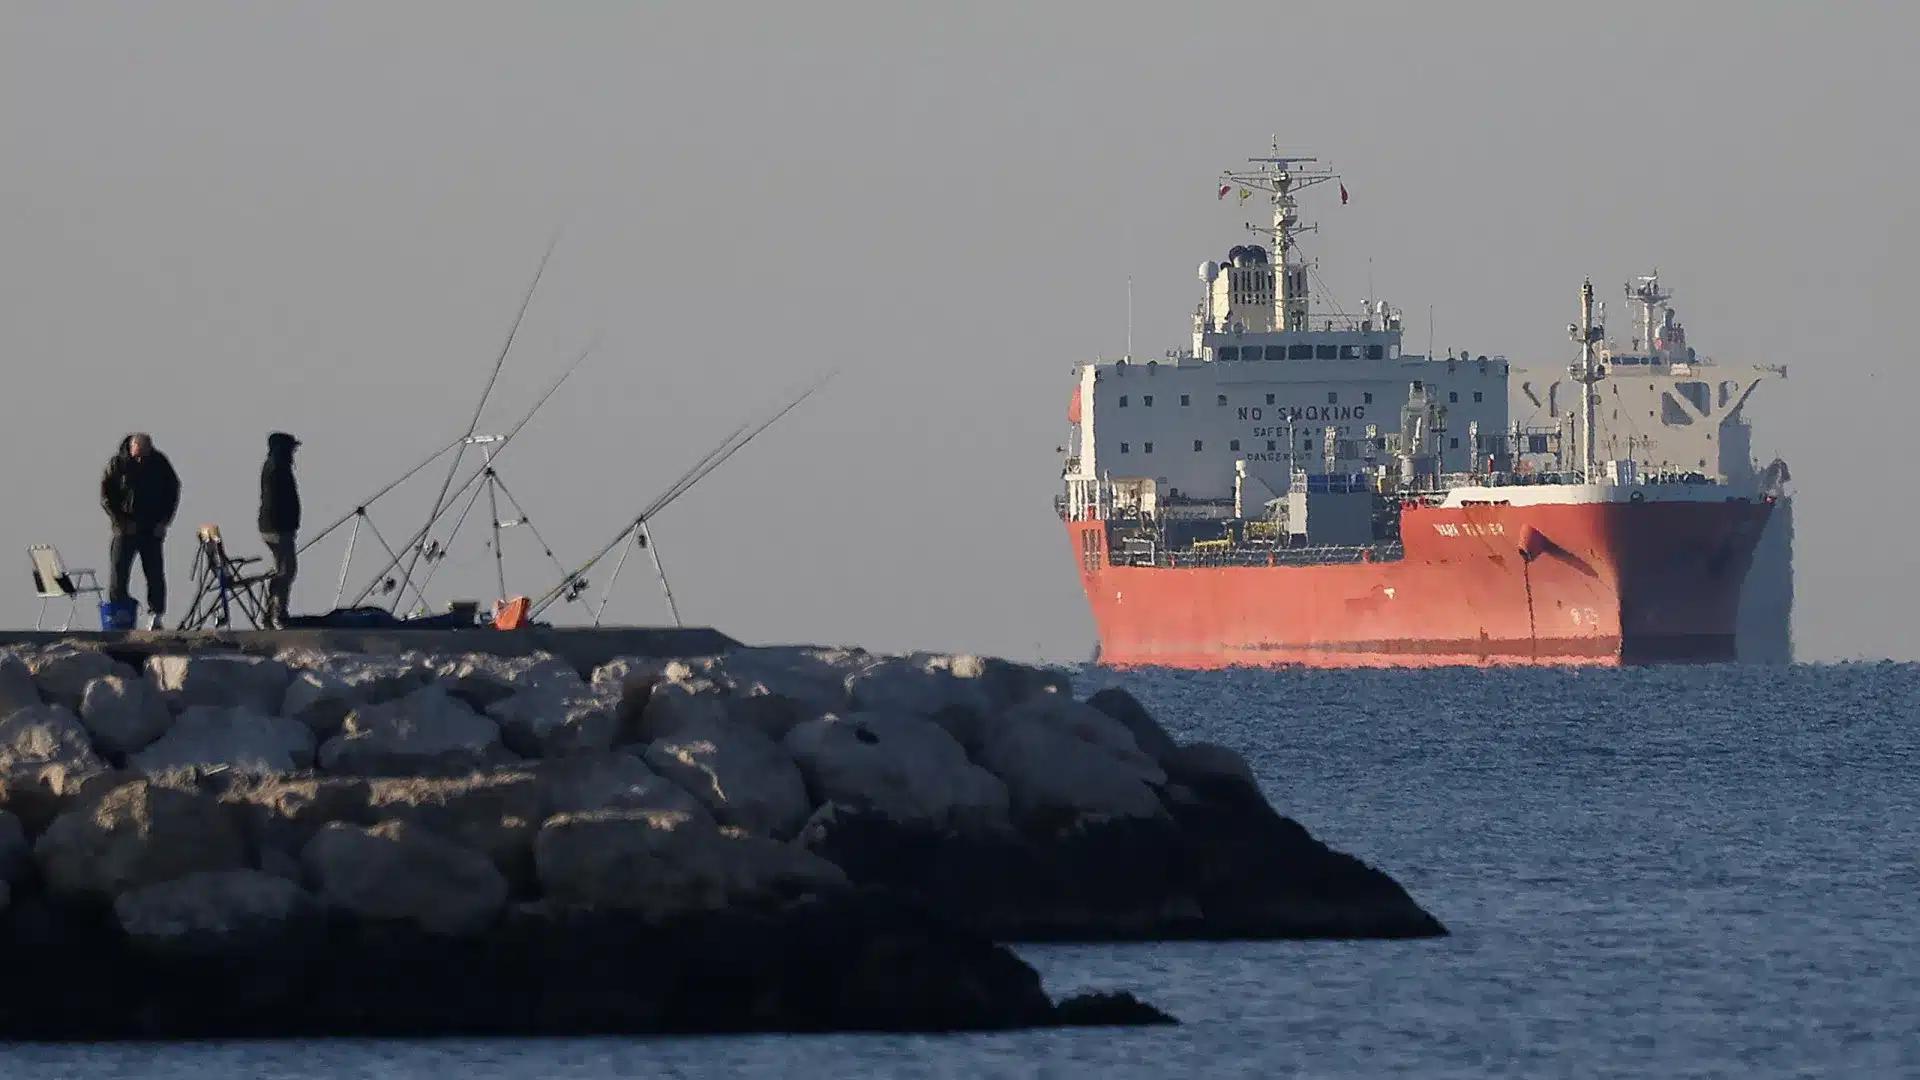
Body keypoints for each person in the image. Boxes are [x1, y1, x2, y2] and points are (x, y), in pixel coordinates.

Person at [100, 432, 181, 630]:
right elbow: (106, 496)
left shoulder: (159, 462)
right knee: (118, 573)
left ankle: (156, 614)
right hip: (125, 529)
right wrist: (120, 521)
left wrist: (164, 522)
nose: (142, 457)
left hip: (151, 529)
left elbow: (173, 490)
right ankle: (119, 615)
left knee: (154, 573)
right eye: (139, 452)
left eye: (147, 452)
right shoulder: (117, 464)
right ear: (131, 447)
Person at [258, 431, 301, 628]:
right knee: (287, 570)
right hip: (278, 528)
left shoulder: (275, 465)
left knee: (283, 570)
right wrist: (287, 525)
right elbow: (278, 501)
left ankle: (273, 611)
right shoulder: (278, 467)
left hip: (273, 527)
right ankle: (277, 612)